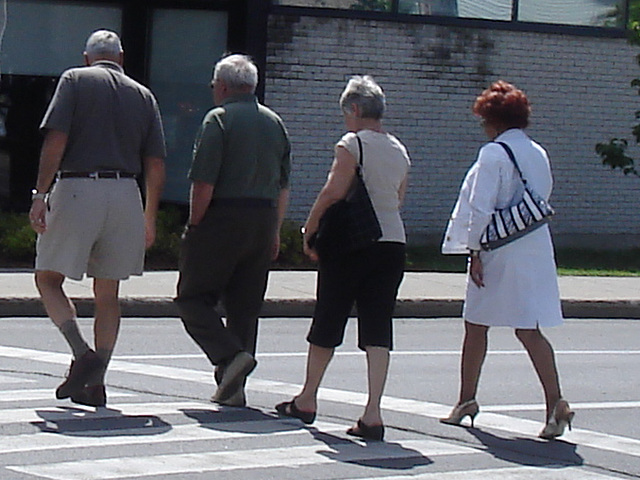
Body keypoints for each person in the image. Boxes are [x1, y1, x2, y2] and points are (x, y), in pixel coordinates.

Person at [29, 30, 166, 407]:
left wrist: (40, 195)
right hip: (126, 194)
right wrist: (149, 216)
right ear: (120, 58)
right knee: (108, 292)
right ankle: (97, 380)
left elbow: (56, 141)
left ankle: (82, 353)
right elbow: (155, 162)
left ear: (87, 57)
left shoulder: (74, 79)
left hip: (78, 187)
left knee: (48, 277)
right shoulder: (143, 95)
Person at [275, 76, 410, 442]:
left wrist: (310, 226)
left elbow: (335, 189)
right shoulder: (399, 149)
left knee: (329, 316)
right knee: (378, 326)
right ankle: (373, 413)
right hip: (392, 243)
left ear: (354, 110)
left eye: (344, 113)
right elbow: (397, 199)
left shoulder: (352, 144)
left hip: (353, 244)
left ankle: (307, 398)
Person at [441, 80, 574, 439]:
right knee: (529, 328)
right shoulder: (538, 152)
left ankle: (467, 399)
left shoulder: (493, 154)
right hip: (533, 245)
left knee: (475, 323)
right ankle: (554, 403)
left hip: (499, 249)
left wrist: (475, 251)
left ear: (493, 120)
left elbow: (481, 207)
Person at [175, 54, 291, 408]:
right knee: (244, 306)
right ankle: (233, 386)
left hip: (223, 217)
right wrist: (275, 230)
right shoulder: (275, 123)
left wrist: (195, 224)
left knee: (192, 299)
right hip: (263, 218)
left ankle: (229, 356)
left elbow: (204, 182)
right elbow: (283, 187)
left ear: (222, 86)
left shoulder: (218, 120)